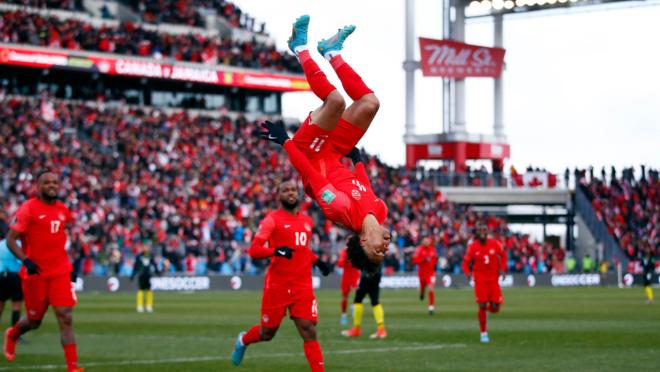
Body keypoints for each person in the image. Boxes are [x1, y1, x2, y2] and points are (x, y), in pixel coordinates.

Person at [257, 14, 390, 272]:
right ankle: (331, 51)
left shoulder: (339, 211)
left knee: (336, 103)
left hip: (310, 152)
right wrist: (358, 161)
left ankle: (299, 47)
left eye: (376, 251)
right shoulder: (381, 211)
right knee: (370, 104)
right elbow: (363, 187)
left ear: (362, 241)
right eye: (384, 253)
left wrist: (285, 141)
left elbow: (309, 172)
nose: (384, 248)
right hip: (337, 151)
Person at [231, 180, 330, 371]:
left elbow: (303, 249)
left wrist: (317, 261)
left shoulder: (307, 221)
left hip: (302, 285)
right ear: (279, 196)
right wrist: (275, 251)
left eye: (293, 190)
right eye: (285, 190)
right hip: (278, 286)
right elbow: (254, 250)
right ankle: (243, 340)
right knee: (267, 333)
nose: (290, 193)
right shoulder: (271, 220)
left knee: (309, 330)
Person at [3, 170, 82, 372]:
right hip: (35, 274)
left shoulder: (64, 210)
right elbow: (11, 239)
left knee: (65, 316)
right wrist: (26, 260)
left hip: (59, 273)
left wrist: (69, 267)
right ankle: (13, 334)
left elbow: (62, 241)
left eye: (55, 182)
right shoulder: (28, 209)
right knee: (34, 320)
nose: (52, 186)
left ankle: (73, 368)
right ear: (37, 186)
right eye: (47, 183)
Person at [462, 223, 506, 343]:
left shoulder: (495, 243)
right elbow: (465, 263)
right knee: (482, 305)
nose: (483, 231)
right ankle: (483, 333)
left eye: (485, 230)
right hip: (480, 280)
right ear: (477, 232)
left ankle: (483, 311)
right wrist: (467, 272)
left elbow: (503, 255)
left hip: (493, 279)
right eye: (480, 230)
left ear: (487, 232)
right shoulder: (472, 246)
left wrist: (502, 268)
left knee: (496, 308)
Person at [341, 264, 386, 339]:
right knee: (372, 301)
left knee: (359, 300)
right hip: (374, 275)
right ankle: (380, 329)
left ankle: (357, 329)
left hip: (368, 276)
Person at [0, 239, 23, 333]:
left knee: (0, 305)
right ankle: (15, 334)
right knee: (16, 305)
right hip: (15, 276)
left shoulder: (1, 244)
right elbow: (21, 261)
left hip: (1, 276)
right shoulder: (19, 245)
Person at [130, 244, 160, 313]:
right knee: (141, 290)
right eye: (144, 247)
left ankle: (149, 306)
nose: (145, 249)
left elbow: (154, 264)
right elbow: (136, 266)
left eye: (146, 247)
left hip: (148, 275)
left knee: (149, 290)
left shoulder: (150, 256)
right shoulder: (139, 256)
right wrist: (133, 275)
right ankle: (139, 306)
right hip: (141, 275)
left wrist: (157, 272)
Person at [412, 237, 438, 315]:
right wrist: (424, 259)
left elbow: (435, 260)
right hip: (422, 273)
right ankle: (422, 294)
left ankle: (431, 307)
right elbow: (414, 261)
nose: (427, 242)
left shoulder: (433, 249)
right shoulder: (419, 250)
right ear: (422, 242)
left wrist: (434, 263)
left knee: (431, 288)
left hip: (431, 273)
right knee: (423, 287)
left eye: (428, 241)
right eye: (425, 241)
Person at [336, 245, 360, 325]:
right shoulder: (344, 252)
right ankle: (344, 315)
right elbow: (340, 264)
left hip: (355, 275)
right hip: (346, 277)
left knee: (358, 294)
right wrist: (344, 260)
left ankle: (353, 305)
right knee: (345, 297)